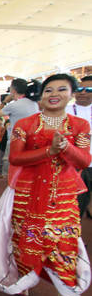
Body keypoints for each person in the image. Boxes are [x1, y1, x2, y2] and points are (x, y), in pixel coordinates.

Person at [0, 74, 91, 296]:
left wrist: (66, 148)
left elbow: (82, 161)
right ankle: (24, 279)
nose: (54, 93)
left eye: (61, 89)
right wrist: (50, 151)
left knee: (65, 244)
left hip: (63, 196)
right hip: (27, 193)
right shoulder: (26, 124)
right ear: (41, 95)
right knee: (25, 240)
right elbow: (16, 157)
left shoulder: (80, 125)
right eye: (48, 90)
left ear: (71, 94)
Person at [71, 76, 92, 218]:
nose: (83, 92)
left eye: (88, 89)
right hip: (76, 166)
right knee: (76, 207)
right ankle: (75, 239)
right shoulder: (65, 110)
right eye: (80, 89)